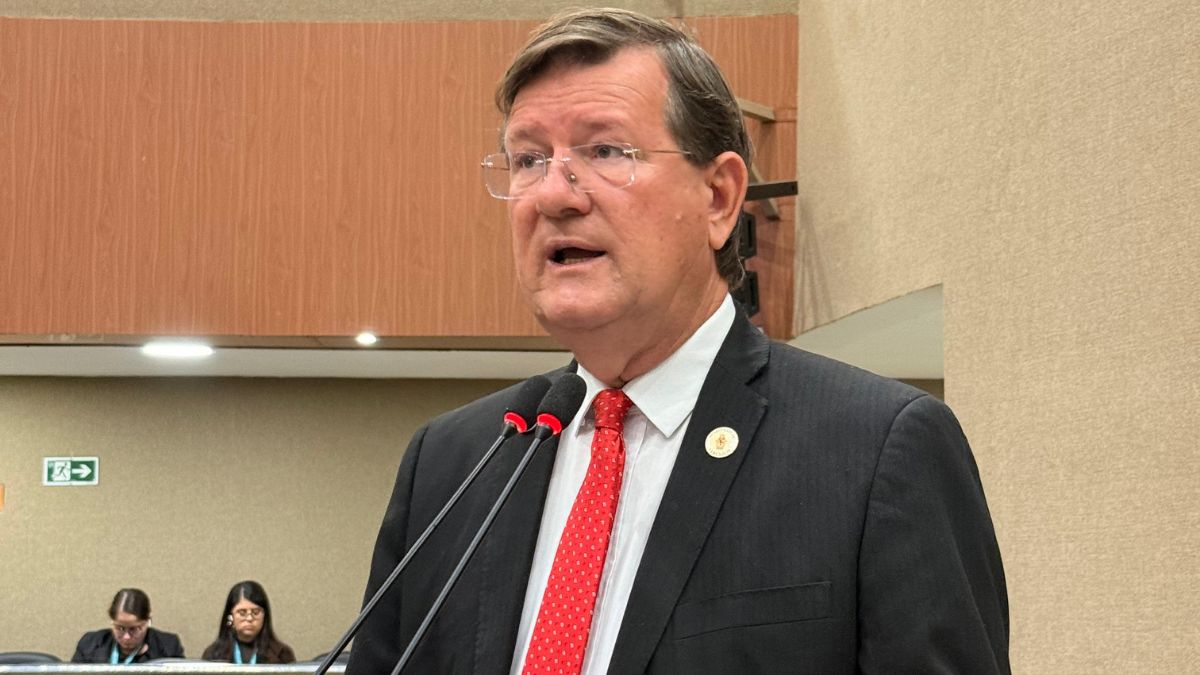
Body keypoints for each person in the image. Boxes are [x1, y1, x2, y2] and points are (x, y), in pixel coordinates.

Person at [348, 8, 1009, 674]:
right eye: (528, 159)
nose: (553, 195)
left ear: (719, 198)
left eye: (606, 151)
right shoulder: (453, 462)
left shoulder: (876, 451)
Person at [71, 588, 184, 664]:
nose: (126, 637)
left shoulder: (168, 646)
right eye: (120, 628)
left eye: (134, 629)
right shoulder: (89, 644)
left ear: (148, 622)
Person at [201, 580, 296, 664]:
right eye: (242, 613)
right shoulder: (214, 654)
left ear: (265, 615)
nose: (250, 618)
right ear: (230, 616)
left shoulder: (281, 654)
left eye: (256, 612)